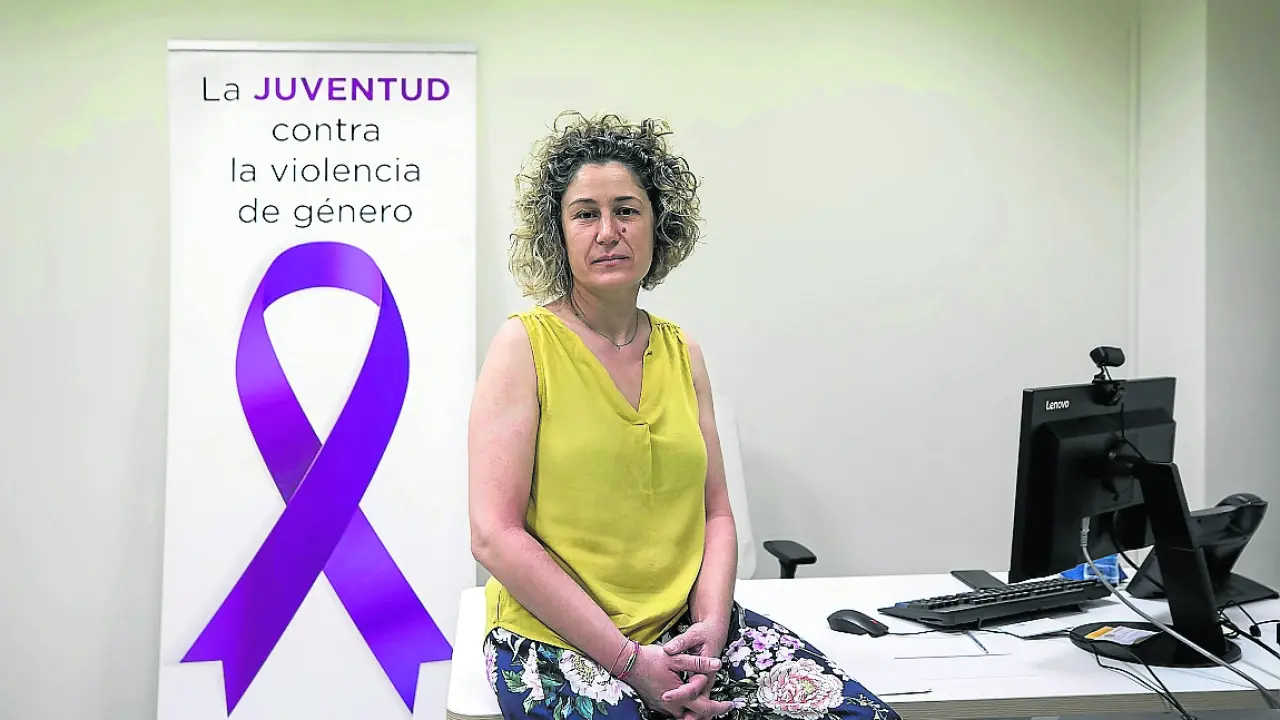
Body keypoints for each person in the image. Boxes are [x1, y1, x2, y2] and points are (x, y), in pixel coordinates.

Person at [468, 111, 899, 720]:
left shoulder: (681, 350)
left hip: (685, 628)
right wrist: (629, 662)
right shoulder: (524, 345)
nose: (608, 232)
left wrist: (713, 628)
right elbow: (493, 535)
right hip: (557, 636)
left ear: (658, 223)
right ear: (558, 234)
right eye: (585, 214)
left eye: (627, 210)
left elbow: (717, 512)